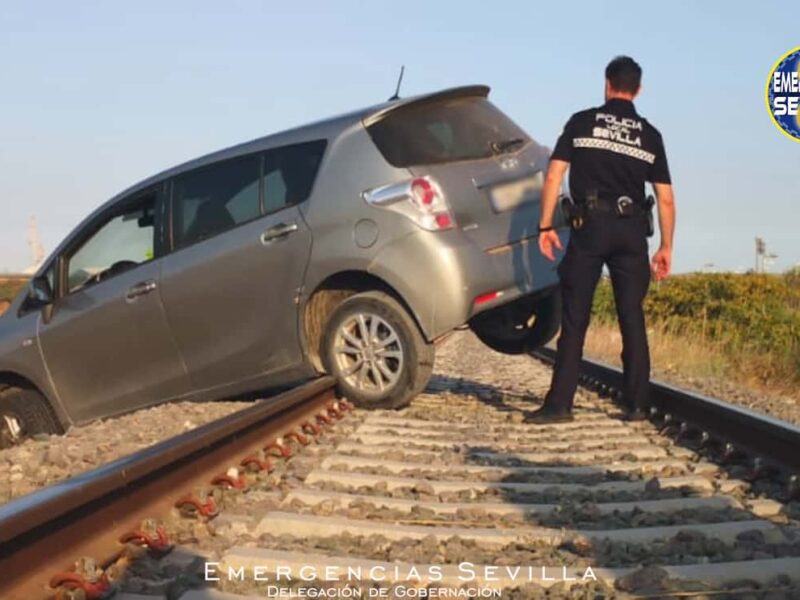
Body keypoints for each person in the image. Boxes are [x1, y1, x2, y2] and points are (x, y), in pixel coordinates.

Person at [531, 55, 676, 424]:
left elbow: (554, 176)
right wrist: (666, 246)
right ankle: (638, 404)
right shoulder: (650, 135)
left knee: (575, 318)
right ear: (638, 90)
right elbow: (665, 198)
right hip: (631, 232)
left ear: (607, 84)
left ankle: (560, 404)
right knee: (631, 317)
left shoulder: (581, 123)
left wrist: (545, 227)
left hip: (590, 229)